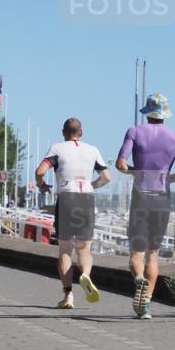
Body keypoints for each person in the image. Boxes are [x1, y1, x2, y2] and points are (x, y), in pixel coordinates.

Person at [116, 94, 175, 319]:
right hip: (161, 198)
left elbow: (120, 163)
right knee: (153, 254)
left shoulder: (135, 132)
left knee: (136, 252)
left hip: (141, 196)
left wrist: (135, 172)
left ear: (147, 112)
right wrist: (170, 179)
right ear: (165, 114)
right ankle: (146, 304)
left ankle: (138, 279)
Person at [35, 118, 111, 309]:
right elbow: (106, 177)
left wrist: (41, 185)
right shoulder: (92, 150)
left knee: (65, 250)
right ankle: (85, 274)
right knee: (84, 248)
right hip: (86, 198)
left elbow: (40, 171)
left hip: (67, 197)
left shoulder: (58, 148)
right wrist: (91, 186)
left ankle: (68, 295)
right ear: (81, 132)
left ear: (63, 132)